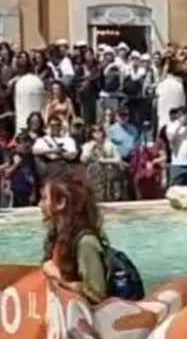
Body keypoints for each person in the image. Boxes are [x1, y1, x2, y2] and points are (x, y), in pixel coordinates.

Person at [40, 170, 108, 304]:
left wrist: (59, 279)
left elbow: (96, 293)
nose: (40, 205)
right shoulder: (58, 237)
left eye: (44, 198)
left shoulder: (86, 242)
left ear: (61, 203)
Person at [81, 126, 124, 202]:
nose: (97, 133)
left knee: (110, 196)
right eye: (94, 131)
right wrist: (91, 149)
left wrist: (105, 160)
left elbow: (118, 159)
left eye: (100, 131)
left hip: (108, 175)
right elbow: (83, 159)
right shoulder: (87, 146)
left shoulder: (109, 145)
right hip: (93, 175)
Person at [165, 107, 187, 187]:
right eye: (179, 115)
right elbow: (171, 139)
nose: (180, 117)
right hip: (177, 164)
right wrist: (180, 125)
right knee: (176, 190)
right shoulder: (171, 126)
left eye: (182, 115)